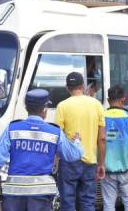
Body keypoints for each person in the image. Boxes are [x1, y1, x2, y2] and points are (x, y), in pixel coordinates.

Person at [0, 89, 84, 211]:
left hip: (14, 193)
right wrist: (77, 142)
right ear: (44, 110)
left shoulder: (13, 128)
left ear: (26, 108)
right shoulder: (54, 132)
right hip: (41, 194)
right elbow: (73, 155)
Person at [55, 72, 106, 211]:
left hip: (69, 162)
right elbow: (102, 138)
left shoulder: (62, 106)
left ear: (67, 87)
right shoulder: (96, 104)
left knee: (68, 203)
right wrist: (101, 163)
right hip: (90, 162)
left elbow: (57, 137)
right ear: (83, 86)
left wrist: (55, 161)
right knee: (87, 203)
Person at [101, 85, 128, 211]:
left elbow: (100, 140)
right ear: (123, 99)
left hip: (107, 169)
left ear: (109, 100)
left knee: (108, 204)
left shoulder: (101, 117)